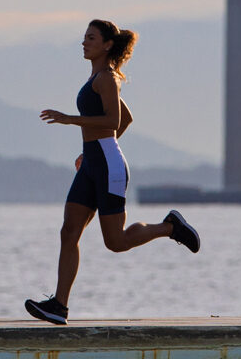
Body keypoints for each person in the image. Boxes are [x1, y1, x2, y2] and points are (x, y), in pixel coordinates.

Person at [27, 19, 200, 325]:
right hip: (93, 163)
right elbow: (125, 119)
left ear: (107, 44)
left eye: (91, 38)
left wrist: (71, 120)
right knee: (69, 231)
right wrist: (90, 149)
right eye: (84, 38)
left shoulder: (107, 78)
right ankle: (59, 305)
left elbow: (112, 120)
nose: (84, 42)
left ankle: (170, 227)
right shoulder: (96, 77)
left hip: (109, 167)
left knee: (115, 242)